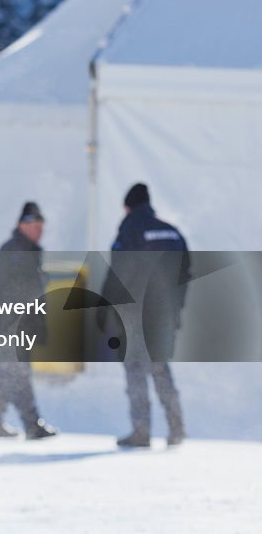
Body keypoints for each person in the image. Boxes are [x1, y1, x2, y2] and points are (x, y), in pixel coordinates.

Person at [103, 183, 189, 448]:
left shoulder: (130, 228)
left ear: (128, 206)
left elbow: (119, 271)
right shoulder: (172, 232)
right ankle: (176, 427)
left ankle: (141, 431)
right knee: (160, 370)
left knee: (136, 371)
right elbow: (185, 274)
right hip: (163, 316)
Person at [0, 202, 57, 440]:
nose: (40, 230)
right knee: (18, 374)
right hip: (14, 323)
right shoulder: (16, 251)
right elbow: (17, 291)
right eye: (35, 225)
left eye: (41, 226)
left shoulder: (26, 249)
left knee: (5, 374)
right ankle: (32, 425)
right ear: (23, 225)